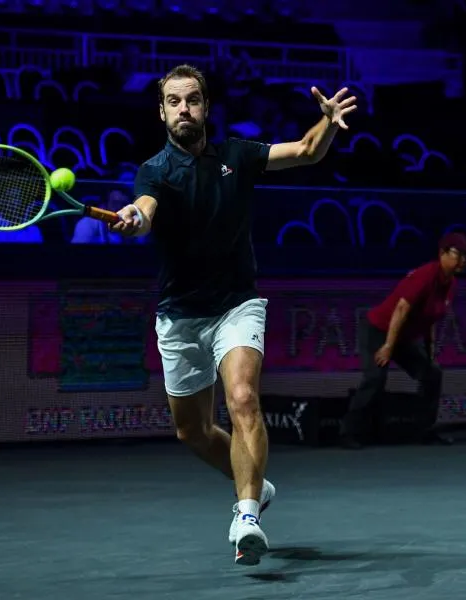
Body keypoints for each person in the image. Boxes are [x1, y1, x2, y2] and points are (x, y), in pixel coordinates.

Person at [109, 64, 357, 566]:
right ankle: (256, 485)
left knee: (243, 397)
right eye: (174, 102)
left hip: (236, 305)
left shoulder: (238, 156)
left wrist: (327, 122)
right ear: (161, 112)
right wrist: (135, 220)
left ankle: (246, 515)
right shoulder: (154, 170)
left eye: (193, 100)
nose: (185, 109)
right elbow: (145, 208)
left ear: (206, 107)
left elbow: (306, 151)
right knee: (193, 432)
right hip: (180, 315)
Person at [338, 232, 466, 450]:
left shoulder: (451, 284)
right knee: (375, 377)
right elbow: (401, 309)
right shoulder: (425, 276)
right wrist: (388, 346)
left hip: (403, 337)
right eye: (458, 254)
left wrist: (429, 350)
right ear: (442, 254)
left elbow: (431, 317)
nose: (463, 260)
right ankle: (348, 432)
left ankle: (424, 430)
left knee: (432, 373)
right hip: (379, 330)